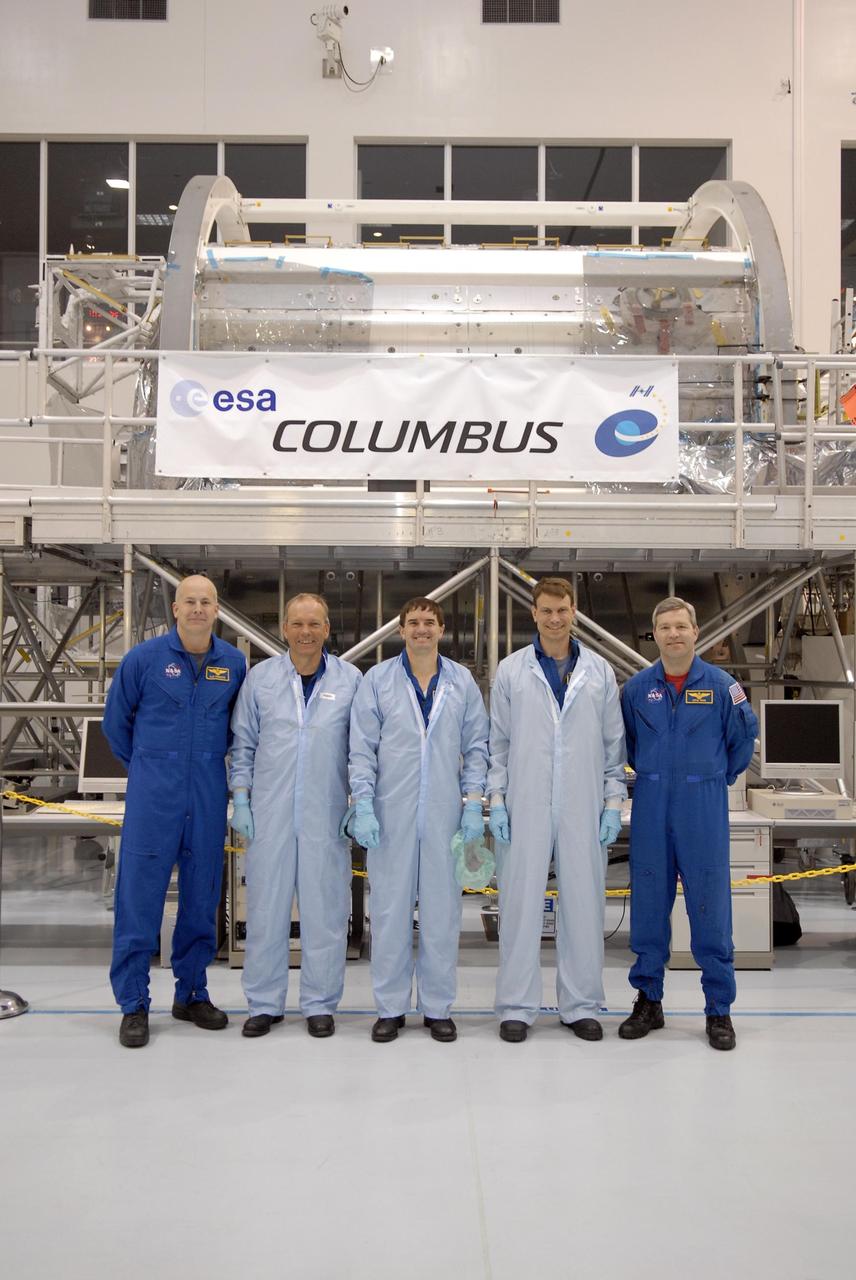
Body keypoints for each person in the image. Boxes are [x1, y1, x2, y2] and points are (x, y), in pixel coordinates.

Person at [103, 574, 246, 1048]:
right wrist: (151, 764)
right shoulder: (143, 660)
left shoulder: (233, 663)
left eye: (207, 601)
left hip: (207, 790)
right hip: (153, 794)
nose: (199, 609)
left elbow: (236, 729)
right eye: (190, 601)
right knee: (139, 897)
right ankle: (134, 1004)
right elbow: (115, 725)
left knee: (202, 898)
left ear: (217, 609)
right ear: (176, 609)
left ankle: (192, 992)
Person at [487, 576, 627, 1043]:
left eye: (561, 610)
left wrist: (612, 804)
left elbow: (613, 748)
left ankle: (581, 1004)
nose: (554, 618)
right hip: (524, 802)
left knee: (585, 905)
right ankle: (515, 1006)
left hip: (583, 804)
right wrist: (496, 801)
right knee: (519, 903)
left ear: (573, 611)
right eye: (546, 610)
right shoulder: (511, 671)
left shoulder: (601, 672)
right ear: (533, 613)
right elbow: (498, 746)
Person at [619, 596, 758, 1051]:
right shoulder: (637, 690)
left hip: (703, 805)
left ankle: (719, 1009)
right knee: (648, 905)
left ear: (696, 632)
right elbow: (630, 746)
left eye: (682, 626)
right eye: (665, 628)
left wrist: (713, 777)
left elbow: (742, 741)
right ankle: (649, 1000)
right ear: (654, 635)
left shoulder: (722, 686)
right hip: (652, 803)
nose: (674, 634)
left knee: (710, 907)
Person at [348, 597, 489, 1043]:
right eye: (413, 623)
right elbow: (361, 749)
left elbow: (478, 748)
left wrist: (472, 804)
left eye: (429, 622)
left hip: (446, 812)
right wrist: (364, 804)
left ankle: (436, 1006)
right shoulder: (378, 680)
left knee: (442, 913)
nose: (421, 629)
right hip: (391, 812)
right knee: (389, 911)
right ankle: (389, 1008)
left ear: (442, 629)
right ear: (401, 630)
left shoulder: (461, 681)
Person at [229, 593, 361, 1039]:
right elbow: (243, 745)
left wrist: (358, 803)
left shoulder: (350, 681)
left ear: (327, 629)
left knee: (326, 911)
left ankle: (320, 1003)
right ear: (284, 628)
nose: (306, 632)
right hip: (269, 813)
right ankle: (264, 1003)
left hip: (326, 815)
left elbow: (361, 750)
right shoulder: (260, 680)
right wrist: (241, 799)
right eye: (297, 624)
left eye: (315, 624)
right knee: (266, 910)